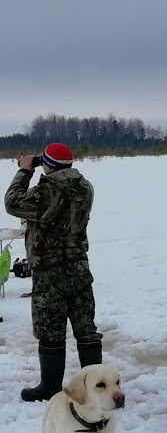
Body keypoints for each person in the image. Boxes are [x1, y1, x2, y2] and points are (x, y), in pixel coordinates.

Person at [4, 143, 103, 401]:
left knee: (50, 330)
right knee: (86, 328)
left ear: (48, 165)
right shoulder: (85, 187)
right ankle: (95, 387)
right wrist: (45, 168)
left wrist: (25, 170)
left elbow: (12, 203)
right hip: (79, 265)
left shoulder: (45, 191)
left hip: (50, 270)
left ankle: (49, 387)